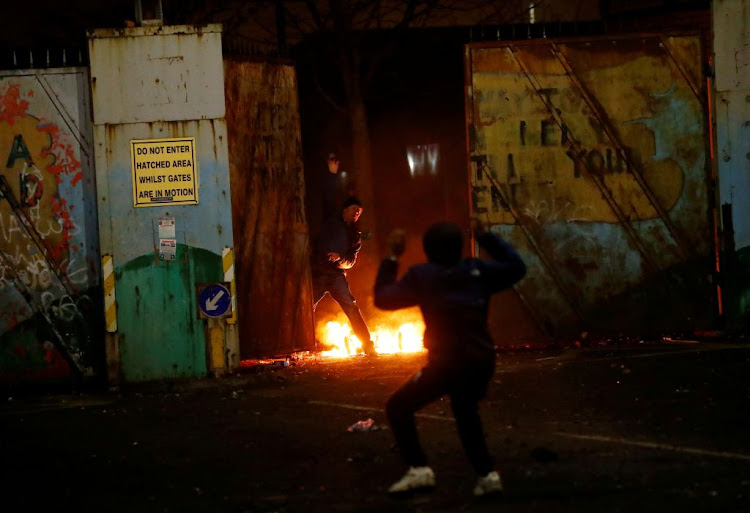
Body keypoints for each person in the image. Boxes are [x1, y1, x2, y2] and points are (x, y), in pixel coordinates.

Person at [374, 219, 526, 496]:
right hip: (481, 359)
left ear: (428, 250)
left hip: (447, 363)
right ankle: (487, 476)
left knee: (398, 407)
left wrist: (393, 256)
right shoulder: (476, 270)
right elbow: (518, 267)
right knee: (466, 411)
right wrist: (488, 239)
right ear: (459, 248)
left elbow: (383, 299)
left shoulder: (423, 275)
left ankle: (419, 470)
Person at [311, 153, 376, 356]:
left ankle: (367, 346)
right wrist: (332, 174)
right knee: (306, 307)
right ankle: (300, 343)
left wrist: (340, 259)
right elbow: (328, 195)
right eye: (355, 210)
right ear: (346, 209)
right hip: (319, 272)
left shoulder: (354, 236)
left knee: (351, 308)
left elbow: (350, 261)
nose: (357, 214)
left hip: (337, 276)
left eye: (360, 212)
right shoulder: (332, 216)